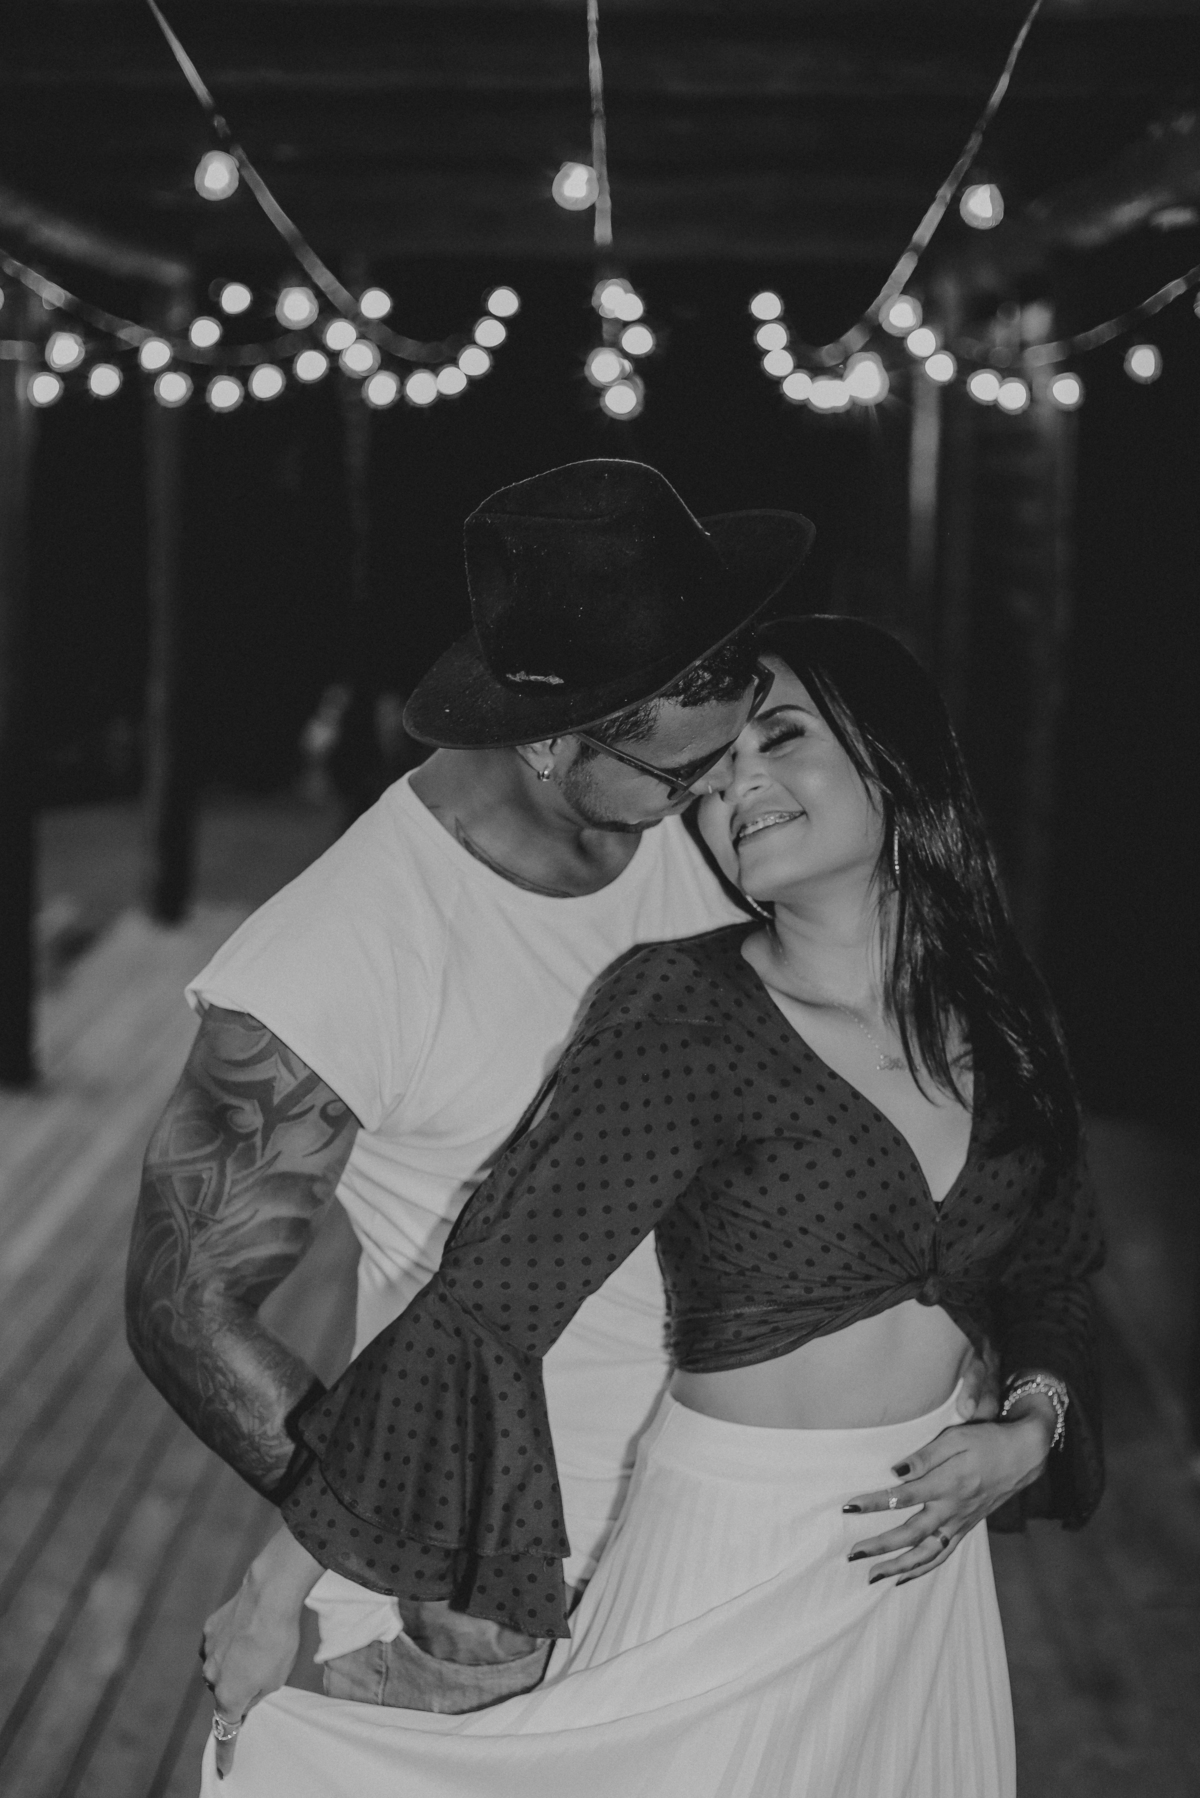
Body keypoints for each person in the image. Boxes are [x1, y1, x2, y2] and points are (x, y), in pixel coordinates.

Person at [198, 615, 1103, 1797]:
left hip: (921, 1585)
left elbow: (1052, 1269)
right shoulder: (683, 1010)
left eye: (782, 739)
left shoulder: (1002, 1009)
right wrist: (279, 1582)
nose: (738, 788)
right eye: (717, 773)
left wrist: (1031, 1429)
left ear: (894, 756)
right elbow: (486, 1306)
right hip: (722, 1563)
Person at [129, 457, 864, 1717]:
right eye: (676, 776)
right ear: (546, 738)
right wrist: (429, 1543)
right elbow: (180, 1305)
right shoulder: (343, 949)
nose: (717, 793)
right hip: (510, 1605)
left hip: (744, 1531)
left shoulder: (692, 823)